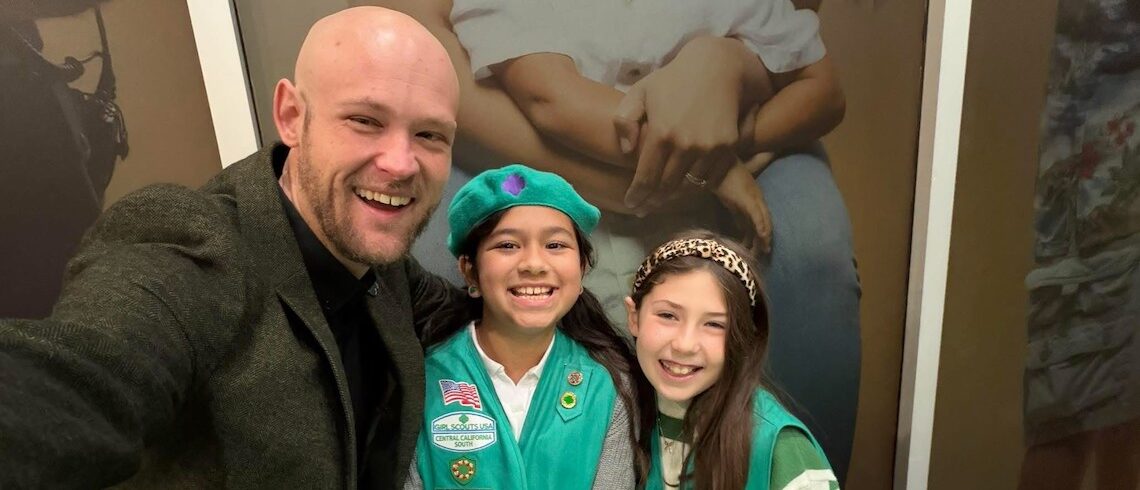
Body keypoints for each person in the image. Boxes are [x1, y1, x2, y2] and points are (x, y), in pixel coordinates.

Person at [359, 0, 861, 480]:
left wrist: (721, 140)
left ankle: (791, 470)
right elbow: (551, 101)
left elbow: (821, 88)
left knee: (808, 254)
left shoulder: (741, 17)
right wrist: (705, 172)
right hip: (551, 142)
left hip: (708, 132)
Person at [0, 6, 464, 488]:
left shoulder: (381, 266)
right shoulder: (191, 243)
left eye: (429, 134)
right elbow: (76, 380)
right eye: (365, 120)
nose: (401, 163)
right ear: (291, 116)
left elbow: (476, 308)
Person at [406, 164, 648, 489]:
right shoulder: (422, 378)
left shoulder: (609, 385)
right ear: (470, 272)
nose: (534, 264)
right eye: (507, 245)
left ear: (581, 270)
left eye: (555, 245)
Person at [625, 231, 837, 489]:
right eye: (668, 315)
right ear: (634, 317)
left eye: (714, 324)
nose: (685, 344)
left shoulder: (778, 447)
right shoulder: (611, 415)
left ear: (742, 336)